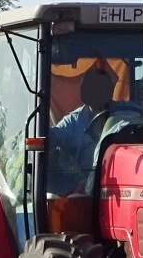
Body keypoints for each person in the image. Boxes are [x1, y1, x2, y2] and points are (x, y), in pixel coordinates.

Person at [48, 66, 116, 195]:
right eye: (92, 89)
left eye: (100, 88)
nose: (96, 92)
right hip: (88, 189)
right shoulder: (74, 120)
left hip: (120, 177)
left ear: (109, 91)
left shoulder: (126, 112)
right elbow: (54, 135)